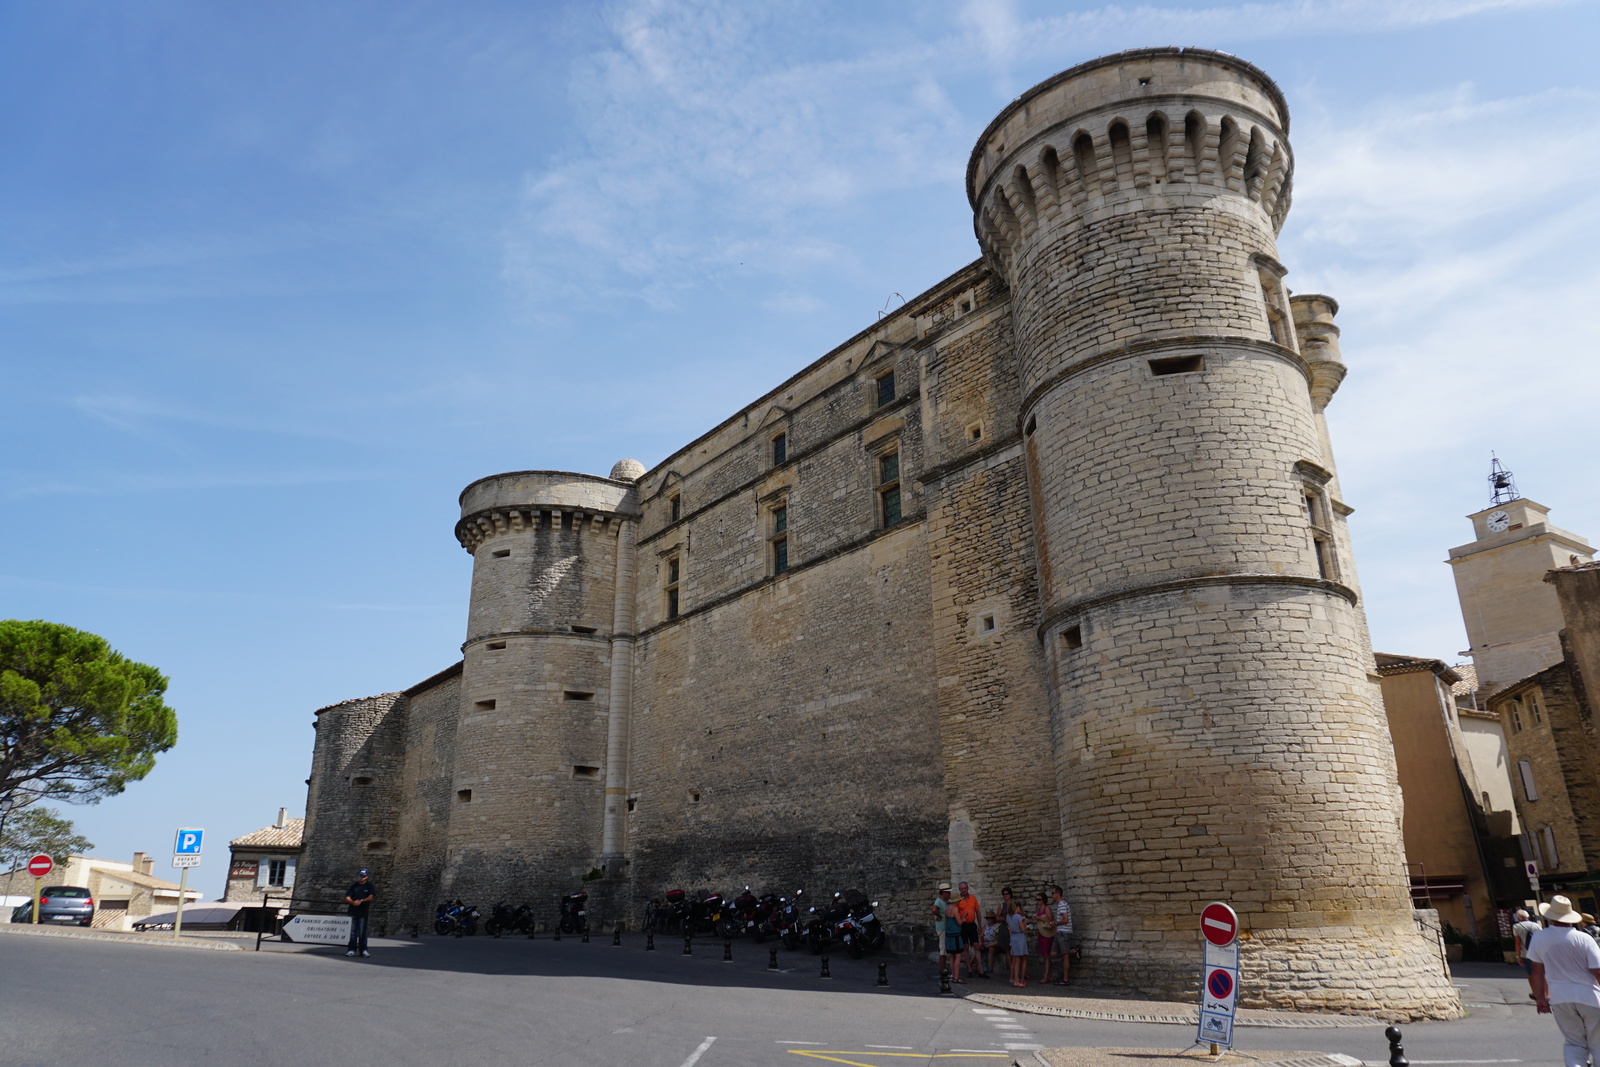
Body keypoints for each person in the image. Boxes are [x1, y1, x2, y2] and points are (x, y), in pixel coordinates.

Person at [1528, 894, 1600, 1067]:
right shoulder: (1584, 938)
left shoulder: (1539, 938)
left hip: (1560, 996)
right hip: (1589, 995)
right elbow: (1597, 970)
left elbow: (1536, 971)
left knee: (1574, 1042)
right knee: (1597, 1041)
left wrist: (1541, 998)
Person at [345, 868, 376, 958]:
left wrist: (361, 901)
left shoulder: (369, 886)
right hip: (353, 911)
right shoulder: (354, 886)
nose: (361, 878)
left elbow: (371, 897)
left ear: (366, 877)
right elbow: (347, 897)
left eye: (362, 876)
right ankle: (351, 950)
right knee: (353, 932)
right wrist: (353, 902)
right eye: (360, 876)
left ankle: (363, 950)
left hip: (363, 912)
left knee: (363, 932)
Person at [954, 882, 983, 979]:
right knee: (965, 947)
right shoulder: (958, 901)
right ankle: (969, 969)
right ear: (959, 890)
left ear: (968, 888)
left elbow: (977, 911)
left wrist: (979, 924)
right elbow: (956, 914)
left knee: (976, 946)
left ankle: (981, 970)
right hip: (963, 926)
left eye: (965, 888)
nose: (964, 890)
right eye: (962, 888)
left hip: (972, 925)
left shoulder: (973, 898)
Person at [1518, 908, 1546, 1000]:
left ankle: (1536, 994)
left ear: (1519, 917)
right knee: (1542, 973)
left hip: (1526, 954)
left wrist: (1518, 956)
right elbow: (1542, 938)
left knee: (1530, 974)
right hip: (1538, 953)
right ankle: (1546, 994)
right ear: (1528, 917)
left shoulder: (1517, 926)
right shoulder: (1536, 925)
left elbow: (1517, 942)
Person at [1048, 885, 1074, 985]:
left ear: (1057, 894)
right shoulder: (1060, 904)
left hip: (1063, 933)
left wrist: (1055, 923)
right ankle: (1072, 951)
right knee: (1053, 953)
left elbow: (1065, 920)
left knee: (1065, 956)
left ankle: (1065, 979)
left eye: (1053, 893)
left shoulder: (1062, 904)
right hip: (1059, 932)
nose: (1051, 895)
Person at [1032, 893, 1056, 983]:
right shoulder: (1039, 909)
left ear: (1044, 900)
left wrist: (1039, 918)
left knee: (1046, 955)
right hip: (1041, 932)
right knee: (1045, 955)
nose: (1038, 901)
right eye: (1037, 899)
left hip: (1047, 933)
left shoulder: (1047, 908)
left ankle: (1046, 976)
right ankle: (1050, 975)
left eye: (1039, 899)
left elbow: (1050, 920)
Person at [1006, 901, 1030, 988]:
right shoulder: (1018, 917)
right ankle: (1017, 980)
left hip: (1013, 937)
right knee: (1020, 959)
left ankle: (1015, 978)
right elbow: (1023, 929)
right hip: (1020, 937)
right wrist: (1025, 923)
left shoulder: (1008, 917)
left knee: (1015, 959)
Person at [932, 883, 952, 977]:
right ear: (943, 892)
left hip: (943, 927)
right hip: (942, 928)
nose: (949, 894)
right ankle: (942, 971)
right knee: (943, 950)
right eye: (947, 893)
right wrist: (939, 917)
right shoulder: (939, 901)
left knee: (943, 949)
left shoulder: (942, 901)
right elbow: (934, 910)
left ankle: (943, 970)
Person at [981, 910, 1001, 977]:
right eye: (988, 918)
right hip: (985, 942)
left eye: (991, 918)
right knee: (977, 948)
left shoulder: (997, 927)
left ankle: (990, 968)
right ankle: (972, 964)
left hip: (993, 943)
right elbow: (981, 935)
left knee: (991, 949)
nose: (989, 920)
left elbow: (998, 939)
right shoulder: (985, 927)